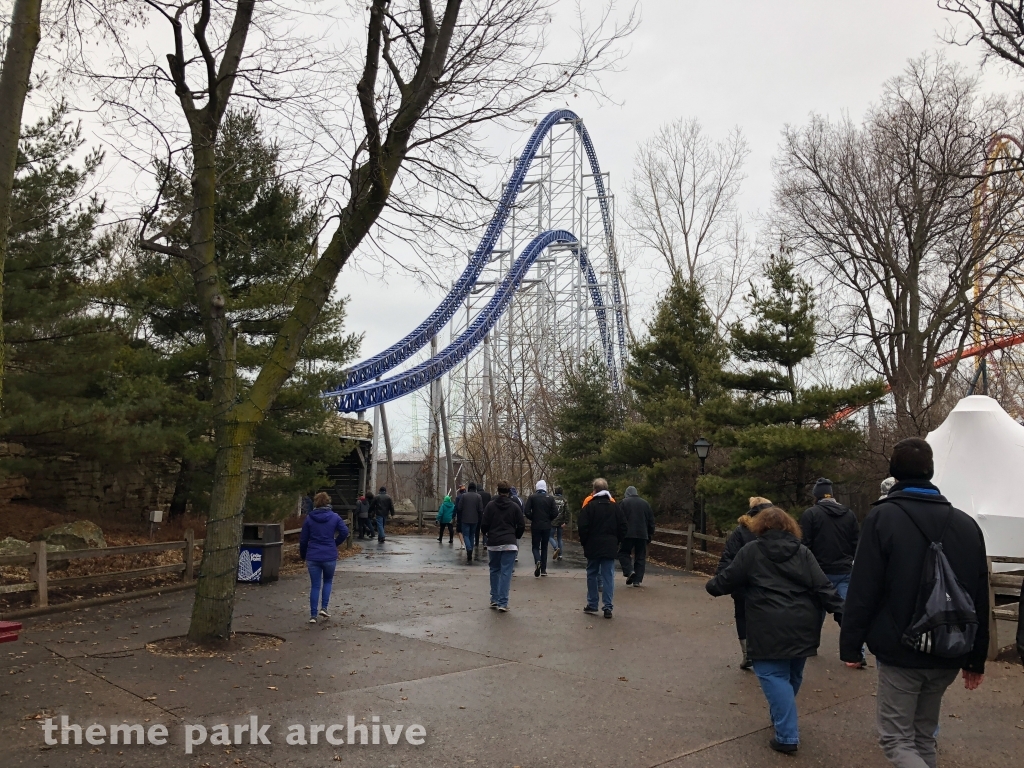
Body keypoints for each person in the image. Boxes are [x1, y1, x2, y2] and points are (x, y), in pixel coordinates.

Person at [840, 437, 989, 768]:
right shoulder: (967, 525)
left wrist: (851, 645)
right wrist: (976, 658)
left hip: (901, 648)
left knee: (896, 739)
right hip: (951, 647)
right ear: (931, 471)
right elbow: (981, 594)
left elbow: (863, 588)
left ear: (893, 472)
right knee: (922, 737)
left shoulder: (882, 519)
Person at [706, 506, 843, 754]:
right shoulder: (803, 553)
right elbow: (823, 586)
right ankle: (781, 716)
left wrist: (712, 586)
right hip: (803, 623)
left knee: (773, 675)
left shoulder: (752, 551)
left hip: (767, 622)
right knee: (792, 674)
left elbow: (728, 579)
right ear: (790, 527)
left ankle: (787, 736)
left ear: (760, 526)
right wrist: (843, 613)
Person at [716, 497, 773, 670]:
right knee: (768, 616)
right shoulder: (777, 530)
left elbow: (729, 555)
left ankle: (747, 653)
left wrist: (720, 578)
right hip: (769, 582)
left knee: (742, 615)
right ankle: (766, 651)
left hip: (744, 582)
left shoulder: (741, 531)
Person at [578, 478, 626, 619]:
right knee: (608, 575)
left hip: (593, 545)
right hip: (609, 545)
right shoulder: (615, 507)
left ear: (594, 491)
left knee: (592, 573)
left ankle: (592, 603)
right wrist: (617, 541)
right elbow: (623, 526)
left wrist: (585, 543)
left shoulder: (589, 507)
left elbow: (582, 528)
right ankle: (608, 607)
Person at [299, 491, 350, 624]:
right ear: (328, 502)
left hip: (313, 556)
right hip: (329, 555)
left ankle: (313, 615)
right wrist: (335, 543)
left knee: (315, 585)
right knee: (327, 581)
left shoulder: (309, 518)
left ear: (315, 502)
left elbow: (303, 540)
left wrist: (303, 555)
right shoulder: (335, 517)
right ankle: (324, 608)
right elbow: (345, 532)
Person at [480, 481, 525, 611]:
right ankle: (503, 602)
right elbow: (521, 524)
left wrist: (487, 534)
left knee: (494, 569)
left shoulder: (490, 506)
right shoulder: (515, 506)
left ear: (498, 490)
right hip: (509, 542)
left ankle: (494, 598)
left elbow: (484, 524)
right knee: (506, 572)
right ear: (509, 491)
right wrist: (516, 536)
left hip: (494, 541)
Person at [618, 486, 655, 587]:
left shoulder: (623, 503)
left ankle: (629, 571)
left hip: (627, 534)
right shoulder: (645, 503)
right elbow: (651, 521)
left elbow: (619, 519)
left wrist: (618, 533)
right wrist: (650, 534)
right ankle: (637, 580)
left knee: (623, 553)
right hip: (642, 534)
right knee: (640, 556)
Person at [524, 480, 558, 577]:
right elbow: (555, 512)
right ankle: (543, 569)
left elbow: (526, 511)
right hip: (546, 526)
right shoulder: (550, 498)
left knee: (535, 546)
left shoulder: (532, 497)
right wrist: (549, 519)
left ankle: (537, 560)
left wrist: (533, 518)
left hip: (536, 525)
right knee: (544, 547)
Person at [455, 482, 485, 563]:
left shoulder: (464, 496)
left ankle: (469, 549)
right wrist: (479, 518)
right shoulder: (478, 497)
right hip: (475, 519)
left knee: (466, 535)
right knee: (472, 535)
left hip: (465, 519)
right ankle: (470, 549)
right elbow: (480, 509)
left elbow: (459, 507)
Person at [549, 487, 567, 560]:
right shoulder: (564, 500)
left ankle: (555, 547)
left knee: (550, 536)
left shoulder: (551, 499)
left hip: (553, 521)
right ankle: (560, 555)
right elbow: (567, 511)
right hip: (561, 521)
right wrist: (566, 522)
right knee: (559, 538)